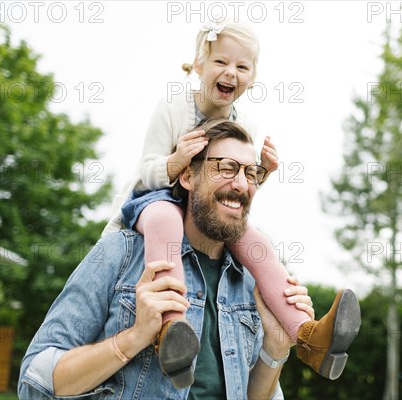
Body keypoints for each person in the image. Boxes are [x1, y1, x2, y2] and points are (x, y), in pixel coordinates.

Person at [102, 20, 361, 386]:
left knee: (256, 242)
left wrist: (260, 174)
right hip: (157, 198)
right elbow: (146, 170)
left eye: (242, 67)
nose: (231, 72)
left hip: (204, 209)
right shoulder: (174, 109)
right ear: (198, 65)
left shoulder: (246, 124)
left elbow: (231, 190)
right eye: (221, 62)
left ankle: (308, 336)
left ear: (253, 77)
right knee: (165, 220)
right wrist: (176, 163)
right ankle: (172, 329)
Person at [18, 119, 326, 399]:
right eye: (227, 167)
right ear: (189, 176)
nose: (242, 184)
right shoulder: (120, 254)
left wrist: (275, 347)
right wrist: (134, 337)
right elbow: (35, 380)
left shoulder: (250, 283)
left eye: (251, 173)